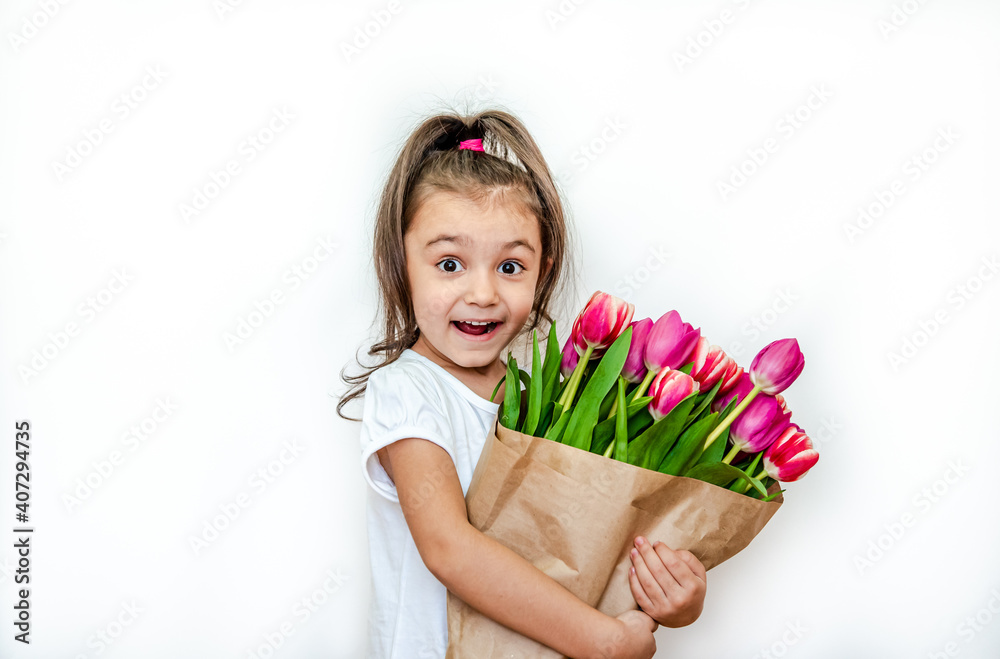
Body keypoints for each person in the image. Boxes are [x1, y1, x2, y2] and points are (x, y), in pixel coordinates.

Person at [336, 108, 707, 659]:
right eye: (449, 263)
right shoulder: (408, 392)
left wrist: (674, 598)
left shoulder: (544, 400)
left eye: (510, 267)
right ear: (401, 264)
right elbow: (449, 549)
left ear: (542, 270)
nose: (483, 292)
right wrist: (602, 642)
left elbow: (585, 548)